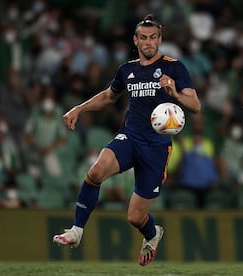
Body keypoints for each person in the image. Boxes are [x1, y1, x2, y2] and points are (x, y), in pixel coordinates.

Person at [52, 14, 201, 266]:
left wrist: (174, 92)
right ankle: (76, 231)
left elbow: (195, 105)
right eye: (143, 38)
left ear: (160, 39)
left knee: (134, 217)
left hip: (156, 147)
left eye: (153, 37)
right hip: (130, 136)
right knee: (96, 171)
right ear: (136, 40)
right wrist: (79, 108)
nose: (148, 42)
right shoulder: (127, 70)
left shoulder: (174, 67)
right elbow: (109, 97)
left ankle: (152, 233)